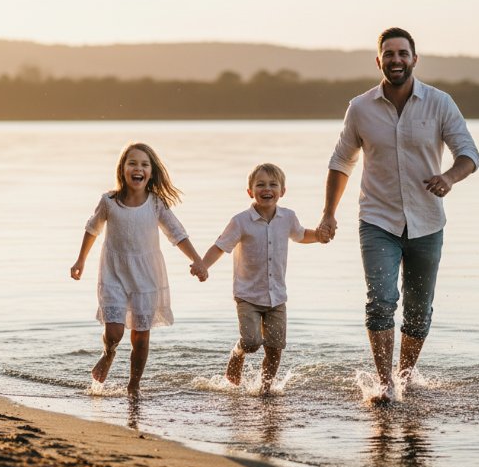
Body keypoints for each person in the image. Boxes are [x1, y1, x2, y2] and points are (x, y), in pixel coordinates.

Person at [317, 27, 479, 402]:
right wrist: (328, 214)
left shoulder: (440, 103)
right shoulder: (360, 108)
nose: (396, 60)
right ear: (379, 61)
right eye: (388, 54)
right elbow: (341, 161)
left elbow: (469, 154)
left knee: (419, 310)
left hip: (427, 222)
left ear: (414, 59)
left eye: (402, 54)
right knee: (380, 300)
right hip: (377, 220)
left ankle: (405, 377)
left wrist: (449, 178)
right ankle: (384, 383)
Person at [71, 142, 207, 396]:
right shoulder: (109, 201)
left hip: (146, 275)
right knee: (114, 331)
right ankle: (108, 353)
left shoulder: (156, 203)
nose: (138, 168)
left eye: (144, 164)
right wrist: (80, 261)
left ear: (151, 172)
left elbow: (177, 234)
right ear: (122, 169)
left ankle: (134, 384)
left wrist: (198, 261)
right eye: (132, 163)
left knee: (141, 336)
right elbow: (92, 229)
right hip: (114, 272)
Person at [192, 163, 320, 395]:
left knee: (275, 348)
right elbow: (220, 246)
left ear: (282, 191)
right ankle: (237, 353)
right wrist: (203, 265)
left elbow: (301, 235)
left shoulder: (288, 217)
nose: (267, 189)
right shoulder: (241, 221)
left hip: (277, 296)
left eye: (273, 184)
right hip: (247, 295)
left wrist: (319, 236)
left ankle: (266, 389)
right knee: (251, 342)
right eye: (260, 185)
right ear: (250, 191)